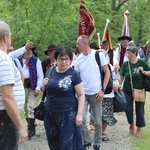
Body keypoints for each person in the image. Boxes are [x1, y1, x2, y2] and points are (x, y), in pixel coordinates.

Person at [42, 45, 85, 150]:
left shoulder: (74, 74)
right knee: (53, 142)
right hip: (50, 113)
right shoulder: (50, 71)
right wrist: (43, 85)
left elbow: (81, 94)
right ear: (56, 59)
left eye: (67, 59)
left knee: (68, 143)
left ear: (70, 60)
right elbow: (45, 91)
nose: (64, 62)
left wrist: (79, 114)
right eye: (61, 59)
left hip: (68, 114)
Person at [75, 35, 110, 150]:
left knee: (98, 121)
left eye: (78, 43)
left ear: (85, 43)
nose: (76, 45)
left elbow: (107, 73)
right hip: (83, 95)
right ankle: (86, 141)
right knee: (82, 119)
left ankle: (97, 143)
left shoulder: (98, 55)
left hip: (96, 93)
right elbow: (76, 77)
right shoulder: (78, 59)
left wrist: (102, 90)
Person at [0, 20, 27, 149]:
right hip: (5, 119)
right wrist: (20, 127)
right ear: (6, 38)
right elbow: (7, 97)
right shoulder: (3, 59)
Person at [119, 46, 150, 137]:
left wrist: (143, 71)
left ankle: (139, 129)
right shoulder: (125, 64)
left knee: (139, 111)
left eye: (130, 53)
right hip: (127, 90)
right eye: (127, 53)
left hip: (140, 90)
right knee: (128, 109)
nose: (128, 55)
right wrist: (118, 83)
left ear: (135, 53)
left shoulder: (141, 63)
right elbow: (121, 77)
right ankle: (131, 123)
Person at [19, 45, 44, 138]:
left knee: (31, 107)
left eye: (30, 50)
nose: (29, 52)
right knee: (25, 108)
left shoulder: (36, 60)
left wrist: (38, 87)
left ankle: (30, 130)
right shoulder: (19, 61)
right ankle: (31, 125)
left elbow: (40, 75)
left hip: (33, 87)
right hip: (22, 87)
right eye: (27, 50)